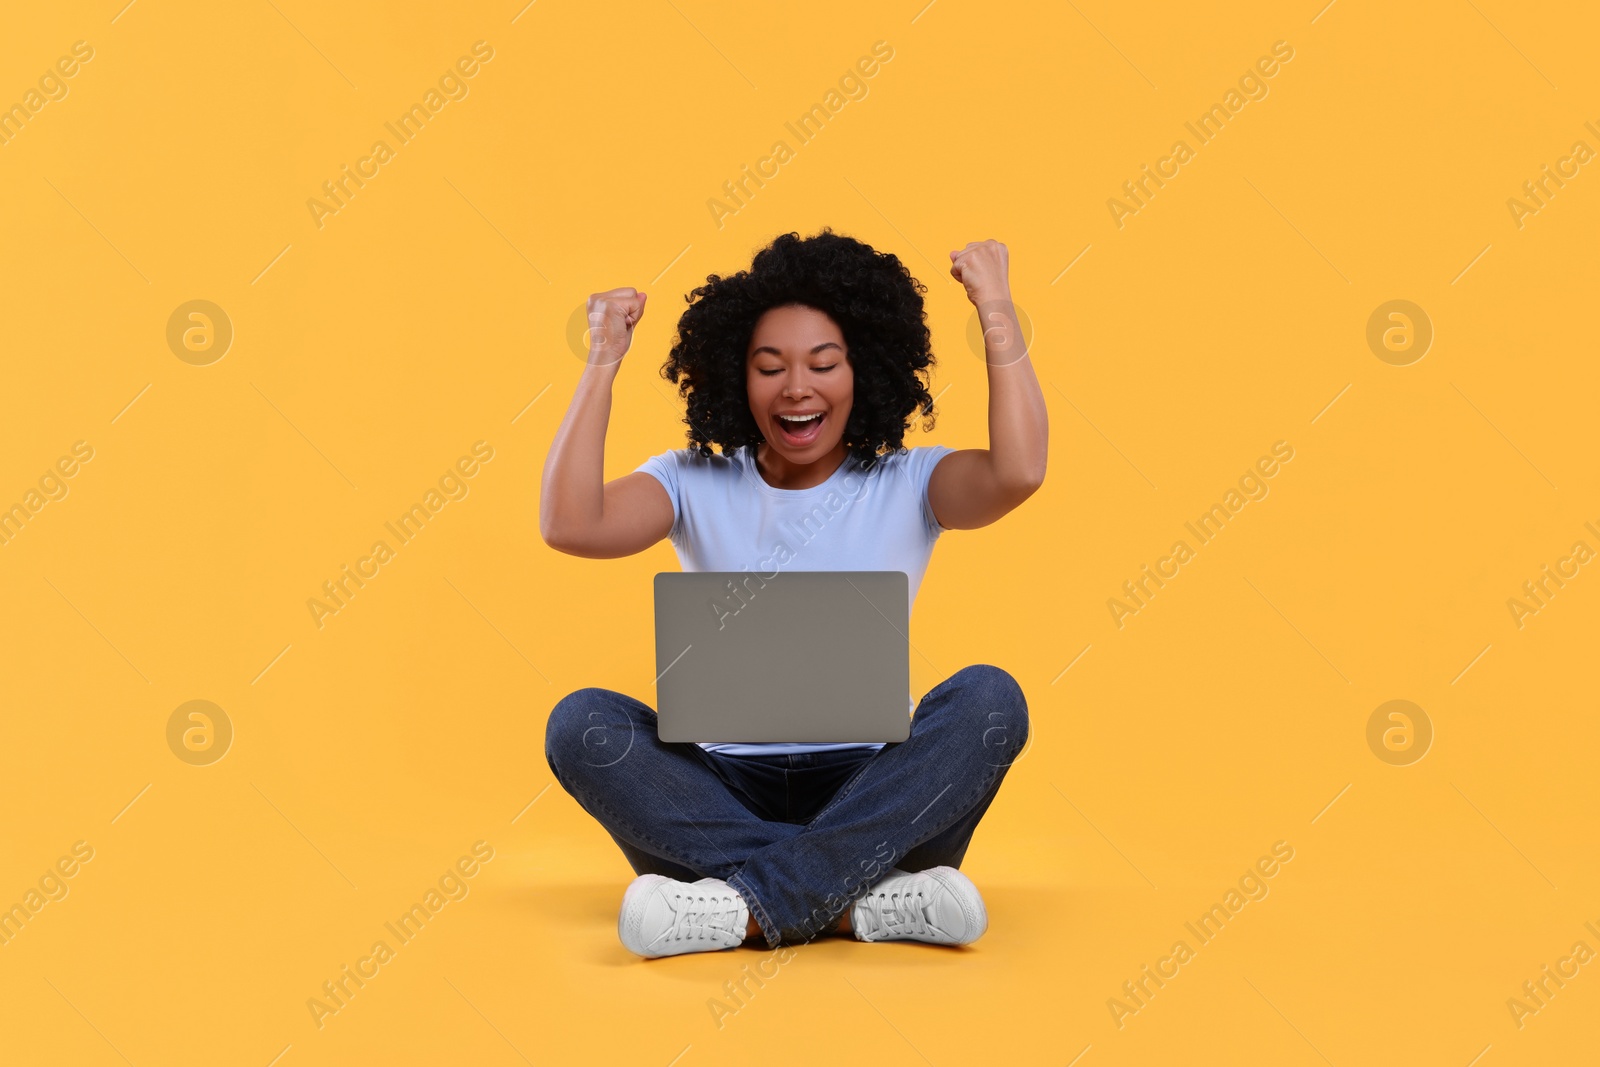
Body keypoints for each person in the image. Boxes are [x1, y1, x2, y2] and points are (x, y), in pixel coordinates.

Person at [540, 228, 1048, 958]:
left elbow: (1019, 471)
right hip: (717, 791)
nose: (797, 387)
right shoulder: (690, 478)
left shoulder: (908, 482)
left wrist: (995, 304)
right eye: (769, 366)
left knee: (991, 702)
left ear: (864, 371)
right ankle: (858, 901)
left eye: (823, 363)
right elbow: (568, 521)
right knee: (579, 725)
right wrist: (602, 361)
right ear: (734, 378)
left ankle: (744, 904)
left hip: (875, 787)